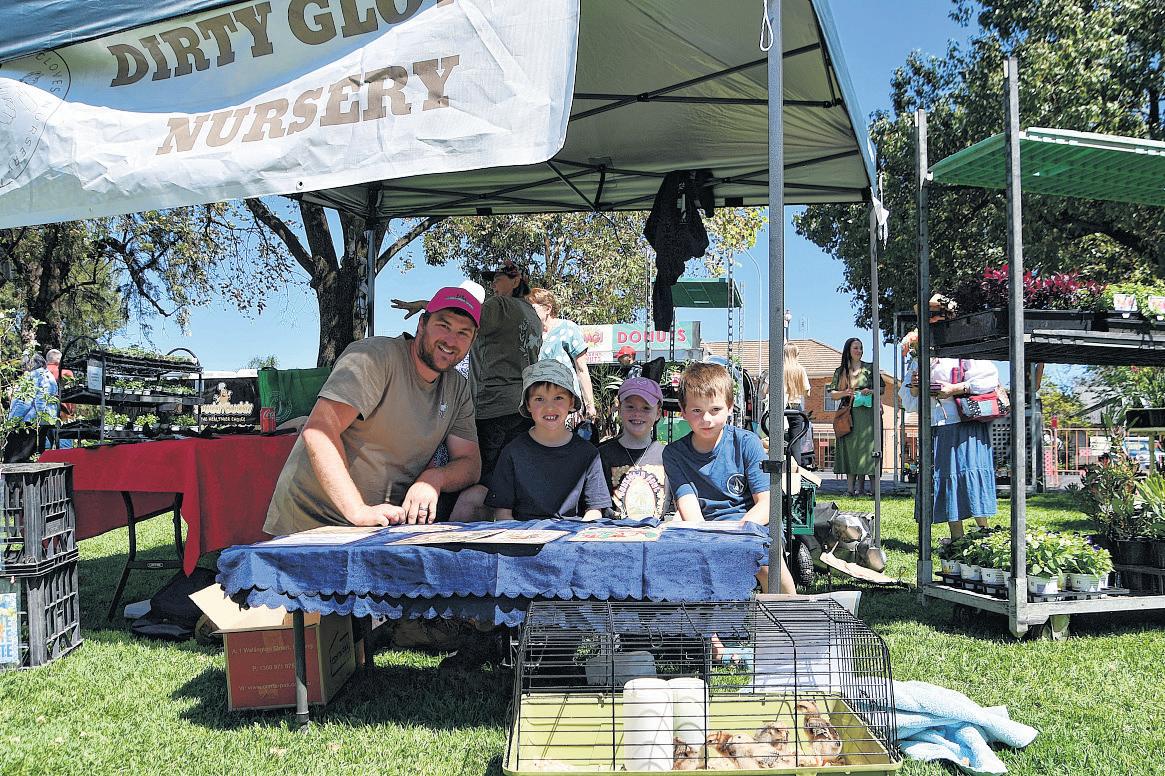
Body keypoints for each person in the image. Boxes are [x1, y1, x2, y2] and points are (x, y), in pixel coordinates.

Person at [263, 286, 482, 535]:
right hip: (311, 522)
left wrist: (434, 479)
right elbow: (319, 430)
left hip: (379, 526)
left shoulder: (457, 388)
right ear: (422, 324)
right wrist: (357, 510)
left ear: (473, 340)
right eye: (443, 325)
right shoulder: (373, 357)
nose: (451, 341)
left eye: (463, 333)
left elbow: (470, 463)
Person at [662, 362, 796, 595]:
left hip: (752, 525)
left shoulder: (746, 443)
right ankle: (711, 618)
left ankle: (788, 609)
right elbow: (689, 510)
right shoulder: (673, 454)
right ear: (682, 410)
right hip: (705, 529)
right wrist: (714, 540)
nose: (706, 419)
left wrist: (735, 533)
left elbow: (767, 505)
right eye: (696, 410)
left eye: (715, 409)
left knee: (766, 562)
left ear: (730, 407)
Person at [485, 359, 611, 521]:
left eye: (558, 398)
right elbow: (503, 514)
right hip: (523, 533)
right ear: (528, 404)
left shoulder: (589, 454)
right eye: (539, 399)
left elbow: (594, 511)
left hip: (573, 534)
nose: (549, 407)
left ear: (571, 402)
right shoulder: (512, 452)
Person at [899, 342, 1000, 540]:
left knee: (971, 475)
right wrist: (915, 388)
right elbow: (909, 402)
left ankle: (985, 536)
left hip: (965, 422)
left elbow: (989, 380)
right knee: (946, 479)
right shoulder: (919, 359)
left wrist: (954, 389)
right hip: (936, 426)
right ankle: (957, 540)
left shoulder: (963, 349)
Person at [598, 377, 671, 520]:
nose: (637, 414)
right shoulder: (602, 455)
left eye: (646, 408)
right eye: (630, 407)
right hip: (613, 532)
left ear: (658, 413)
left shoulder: (668, 455)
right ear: (619, 409)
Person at [526, 287, 598, 423]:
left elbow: (582, 369)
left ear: (547, 308)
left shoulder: (568, 328)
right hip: (540, 405)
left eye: (532, 308)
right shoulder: (530, 335)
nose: (528, 312)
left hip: (566, 403)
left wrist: (590, 406)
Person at [828, 337, 884, 496]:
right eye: (856, 348)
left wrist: (870, 391)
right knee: (851, 450)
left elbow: (881, 389)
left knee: (871, 448)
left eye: (861, 348)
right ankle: (850, 489)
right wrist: (844, 392)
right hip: (849, 414)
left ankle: (874, 490)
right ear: (848, 350)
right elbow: (832, 394)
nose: (859, 351)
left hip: (869, 414)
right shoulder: (841, 371)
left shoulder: (870, 368)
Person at [4, 353, 58, 462]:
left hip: (28, 422)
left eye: (24, 366)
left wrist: (12, 422)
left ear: (29, 364)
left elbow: (24, 402)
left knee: (15, 458)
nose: (23, 369)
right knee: (36, 457)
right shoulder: (49, 376)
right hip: (44, 422)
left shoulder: (32, 376)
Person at [783, 342, 812, 467]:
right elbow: (807, 391)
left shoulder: (779, 369)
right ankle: (795, 469)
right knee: (796, 441)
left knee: (775, 439)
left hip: (780, 406)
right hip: (795, 406)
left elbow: (765, 390)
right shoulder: (800, 369)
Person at [44, 348, 75, 449]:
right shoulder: (65, 373)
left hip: (43, 416)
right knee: (64, 450)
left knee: (45, 450)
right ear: (59, 360)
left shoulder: (40, 373)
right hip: (62, 415)